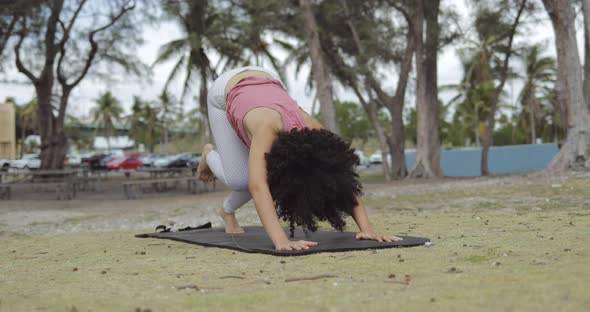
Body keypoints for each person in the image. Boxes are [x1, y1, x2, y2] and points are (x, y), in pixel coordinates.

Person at [197, 66, 401, 251]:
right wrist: (281, 240)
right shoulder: (267, 128)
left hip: (269, 81)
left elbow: (342, 176)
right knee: (240, 180)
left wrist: (367, 229)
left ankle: (227, 212)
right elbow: (257, 186)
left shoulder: (316, 133)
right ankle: (209, 155)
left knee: (255, 171)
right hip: (225, 89)